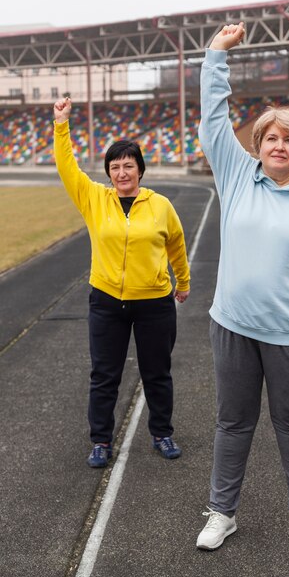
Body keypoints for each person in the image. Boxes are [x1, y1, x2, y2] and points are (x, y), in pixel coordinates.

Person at [196, 22, 289, 555]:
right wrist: (216, 55)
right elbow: (214, 119)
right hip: (234, 325)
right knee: (232, 422)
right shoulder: (237, 177)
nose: (277, 145)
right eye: (269, 138)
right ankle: (222, 512)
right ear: (256, 145)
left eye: (287, 139)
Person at [53, 97, 190, 468]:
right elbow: (67, 168)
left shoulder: (160, 205)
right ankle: (101, 440)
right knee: (104, 375)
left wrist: (184, 281)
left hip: (155, 304)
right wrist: (61, 124)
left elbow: (176, 244)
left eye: (128, 166)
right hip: (107, 302)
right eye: (115, 167)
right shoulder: (94, 199)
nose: (121, 173)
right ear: (109, 173)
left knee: (157, 373)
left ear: (140, 170)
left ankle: (162, 433)